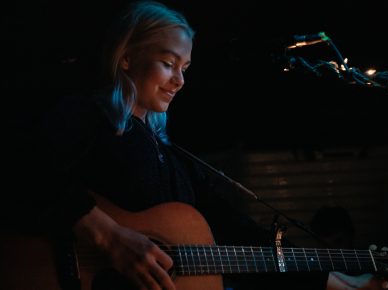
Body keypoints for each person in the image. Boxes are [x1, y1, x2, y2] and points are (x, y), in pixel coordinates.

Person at [4, 1, 342, 290]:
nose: (179, 81)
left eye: (185, 68)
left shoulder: (171, 156)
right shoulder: (86, 116)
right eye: (168, 64)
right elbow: (27, 169)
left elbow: (236, 231)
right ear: (126, 58)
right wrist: (108, 236)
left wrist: (333, 280)